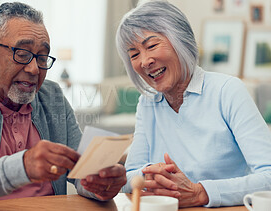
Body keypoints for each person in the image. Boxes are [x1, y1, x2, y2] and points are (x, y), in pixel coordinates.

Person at [0, 2, 126, 210]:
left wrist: (101, 184)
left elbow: (81, 172)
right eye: (22, 54)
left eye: (42, 57)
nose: (33, 69)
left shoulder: (52, 95)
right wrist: (21, 166)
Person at [116, 0, 271, 208]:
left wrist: (201, 192)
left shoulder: (228, 91)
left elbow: (268, 176)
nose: (144, 61)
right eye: (134, 54)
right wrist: (153, 174)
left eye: (151, 46)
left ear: (181, 40)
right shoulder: (147, 103)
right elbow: (130, 177)